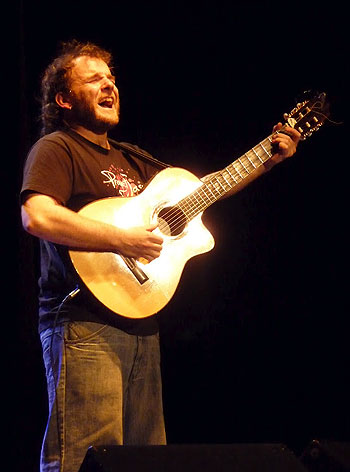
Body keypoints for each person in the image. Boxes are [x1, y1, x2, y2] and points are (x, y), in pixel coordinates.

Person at [20, 40, 300, 472]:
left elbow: (204, 191)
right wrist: (120, 240)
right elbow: (37, 217)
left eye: (111, 79)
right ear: (63, 99)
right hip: (82, 322)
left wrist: (268, 158)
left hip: (139, 319)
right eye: (93, 79)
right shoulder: (58, 148)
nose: (108, 85)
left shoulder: (132, 159)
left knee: (143, 459)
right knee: (83, 458)